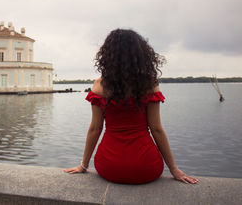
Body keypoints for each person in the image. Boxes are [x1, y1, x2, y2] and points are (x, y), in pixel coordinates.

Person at [64, 29, 198, 184]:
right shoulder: (149, 84)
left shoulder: (100, 85)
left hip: (109, 166)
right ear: (141, 55)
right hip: (147, 167)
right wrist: (174, 169)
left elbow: (95, 128)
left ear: (108, 56)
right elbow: (156, 129)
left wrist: (83, 165)